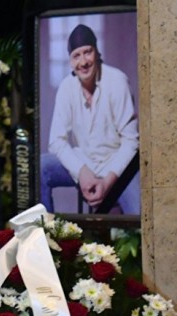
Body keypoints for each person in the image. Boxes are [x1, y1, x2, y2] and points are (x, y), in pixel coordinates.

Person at [41, 24, 139, 214]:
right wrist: (82, 172)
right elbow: (56, 141)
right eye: (76, 55)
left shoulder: (117, 81)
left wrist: (108, 182)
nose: (83, 62)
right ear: (70, 62)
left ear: (97, 52)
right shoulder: (66, 88)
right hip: (84, 161)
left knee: (140, 212)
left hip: (117, 163)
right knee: (41, 167)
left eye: (88, 52)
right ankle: (47, 231)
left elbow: (131, 142)